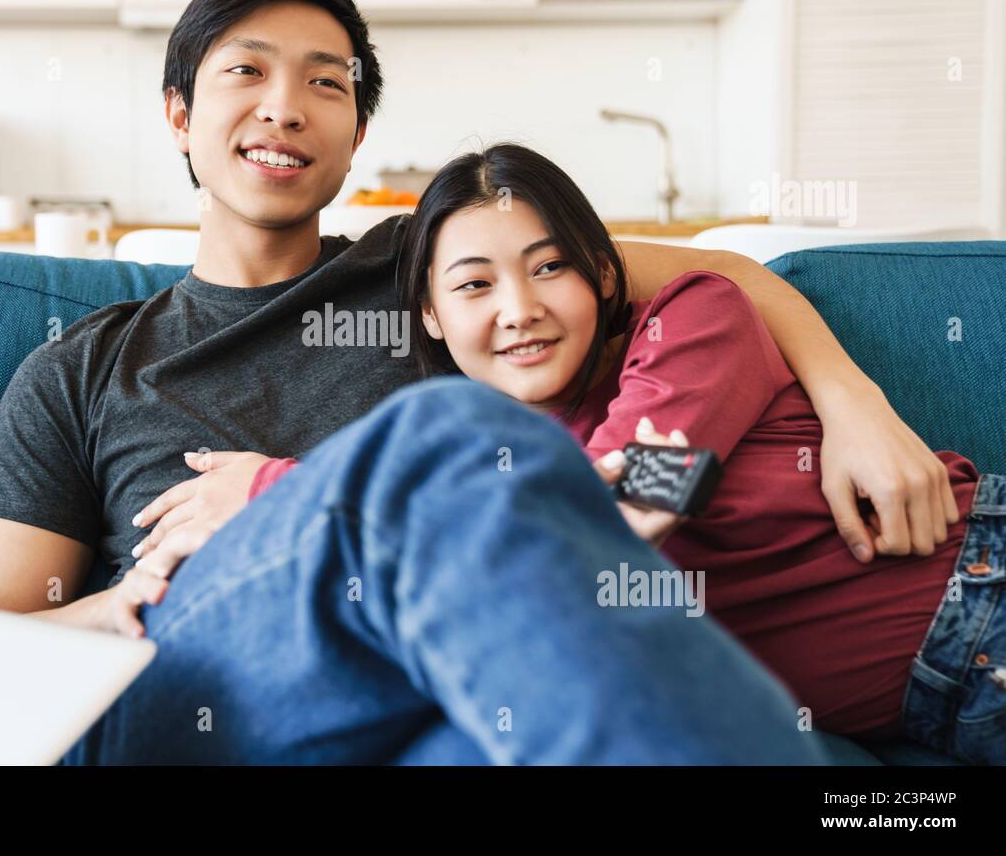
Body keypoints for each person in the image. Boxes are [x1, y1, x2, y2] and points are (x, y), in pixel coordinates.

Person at [0, 0, 960, 763]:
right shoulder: (85, 366)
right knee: (454, 440)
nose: (286, 106)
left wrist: (857, 405)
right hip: (217, 669)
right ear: (179, 112)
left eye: (326, 83)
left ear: (353, 139)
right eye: (246, 71)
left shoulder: (442, 274)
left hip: (445, 689)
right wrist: (110, 608)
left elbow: (716, 283)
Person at [235, 143, 1003, 764]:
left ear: (603, 273)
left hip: (983, 595)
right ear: (431, 317)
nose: (519, 309)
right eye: (474, 286)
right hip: (941, 699)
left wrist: (273, 486)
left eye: (548, 267)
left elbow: (611, 516)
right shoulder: (497, 454)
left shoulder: (695, 322)